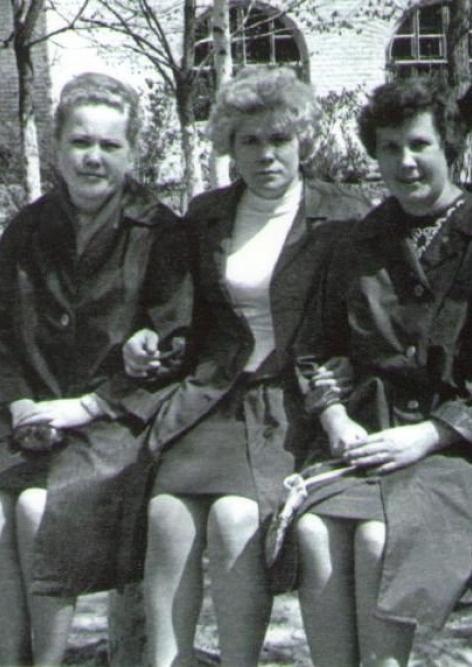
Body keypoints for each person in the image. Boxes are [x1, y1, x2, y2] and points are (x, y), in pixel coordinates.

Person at [121, 66, 371, 667]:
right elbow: (182, 317)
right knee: (166, 513)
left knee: (235, 518)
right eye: (249, 140)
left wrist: (349, 367)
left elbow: (371, 318)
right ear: (229, 146)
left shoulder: (346, 216)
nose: (265, 154)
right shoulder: (207, 215)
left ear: (303, 140)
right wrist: (148, 338)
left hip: (294, 402)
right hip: (215, 397)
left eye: (279, 139)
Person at [292, 77, 472, 667]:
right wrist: (333, 418)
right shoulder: (362, 239)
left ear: (449, 146)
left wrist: (429, 435)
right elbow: (317, 345)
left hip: (463, 447)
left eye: (419, 144)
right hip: (372, 432)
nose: (405, 162)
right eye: (389, 147)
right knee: (314, 531)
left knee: (381, 539)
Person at [0, 72, 192, 666]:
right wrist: (18, 406)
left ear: (132, 152)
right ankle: (13, 658)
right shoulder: (28, 227)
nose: (93, 157)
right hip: (30, 408)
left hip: (116, 420)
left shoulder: (161, 231)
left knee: (38, 509)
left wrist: (92, 404)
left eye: (110, 145)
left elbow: (177, 340)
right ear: (57, 146)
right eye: (80, 142)